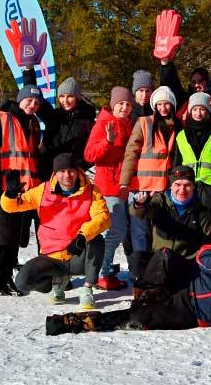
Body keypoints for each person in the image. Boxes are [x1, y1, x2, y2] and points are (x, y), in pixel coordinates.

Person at [44, 226, 211, 335]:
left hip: (197, 313)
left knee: (141, 320)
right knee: (163, 257)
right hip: (191, 281)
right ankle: (143, 298)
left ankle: (71, 323)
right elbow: (205, 253)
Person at [1, 153, 110, 309]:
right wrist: (10, 195)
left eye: (71, 170)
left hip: (77, 254)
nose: (67, 175)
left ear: (77, 171)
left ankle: (87, 288)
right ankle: (55, 282)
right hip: (51, 257)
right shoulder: (43, 190)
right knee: (22, 283)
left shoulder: (92, 191)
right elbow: (13, 206)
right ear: (55, 173)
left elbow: (103, 217)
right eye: (62, 171)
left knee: (97, 240)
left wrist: (82, 236)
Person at [0, 85, 44, 296]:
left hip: (22, 190)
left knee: (12, 236)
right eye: (28, 100)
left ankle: (6, 278)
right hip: (1, 187)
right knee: (0, 236)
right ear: (20, 99)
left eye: (36, 102)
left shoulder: (33, 123)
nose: (32, 105)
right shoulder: (2, 119)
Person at [119, 86, 181, 279]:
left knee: (162, 231)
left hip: (167, 189)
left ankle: (161, 269)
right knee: (141, 232)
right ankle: (140, 273)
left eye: (166, 103)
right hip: (144, 188)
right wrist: (124, 182)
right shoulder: (144, 123)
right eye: (159, 104)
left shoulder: (178, 126)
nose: (163, 107)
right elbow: (131, 153)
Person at [83, 86, 136, 290]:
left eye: (128, 104)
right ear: (113, 104)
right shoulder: (104, 123)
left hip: (123, 185)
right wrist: (107, 141)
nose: (124, 107)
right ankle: (101, 274)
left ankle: (103, 272)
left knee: (118, 231)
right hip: (108, 186)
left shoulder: (128, 124)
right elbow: (89, 155)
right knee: (115, 230)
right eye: (120, 103)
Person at [129, 166, 211, 275]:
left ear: (193, 187)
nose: (182, 190)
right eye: (177, 185)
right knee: (136, 259)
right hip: (159, 260)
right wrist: (140, 203)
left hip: (185, 264)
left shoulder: (200, 210)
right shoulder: (160, 201)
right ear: (171, 186)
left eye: (187, 185)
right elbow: (137, 213)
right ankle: (145, 287)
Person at [171, 92, 211, 238]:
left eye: (202, 109)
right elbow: (176, 164)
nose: (198, 113)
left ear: (207, 111)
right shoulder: (181, 135)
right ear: (190, 111)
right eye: (195, 109)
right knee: (193, 234)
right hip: (189, 191)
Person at [38, 76, 96, 179]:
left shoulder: (87, 121)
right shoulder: (53, 116)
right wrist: (28, 70)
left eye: (70, 96)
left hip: (72, 174)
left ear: (77, 98)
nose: (65, 100)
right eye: (62, 96)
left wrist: (79, 166)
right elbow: (35, 96)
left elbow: (92, 150)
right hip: (49, 172)